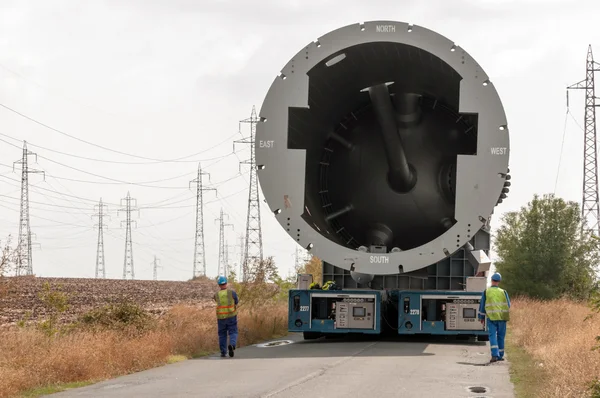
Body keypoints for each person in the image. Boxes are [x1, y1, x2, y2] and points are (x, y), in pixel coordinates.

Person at [478, 272, 511, 363]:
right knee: (501, 336)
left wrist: (481, 317)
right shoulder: (503, 292)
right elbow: (508, 304)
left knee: (492, 336)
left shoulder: (486, 292)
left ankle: (494, 355)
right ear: (499, 281)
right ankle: (500, 355)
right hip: (502, 318)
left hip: (491, 318)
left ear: (491, 280)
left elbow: (482, 306)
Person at [214, 275, 239, 358]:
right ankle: (232, 345)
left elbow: (216, 300)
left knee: (222, 335)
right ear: (226, 283)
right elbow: (236, 301)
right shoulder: (232, 293)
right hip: (231, 316)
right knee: (233, 332)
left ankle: (223, 352)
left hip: (221, 318)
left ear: (219, 285)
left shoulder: (216, 295)